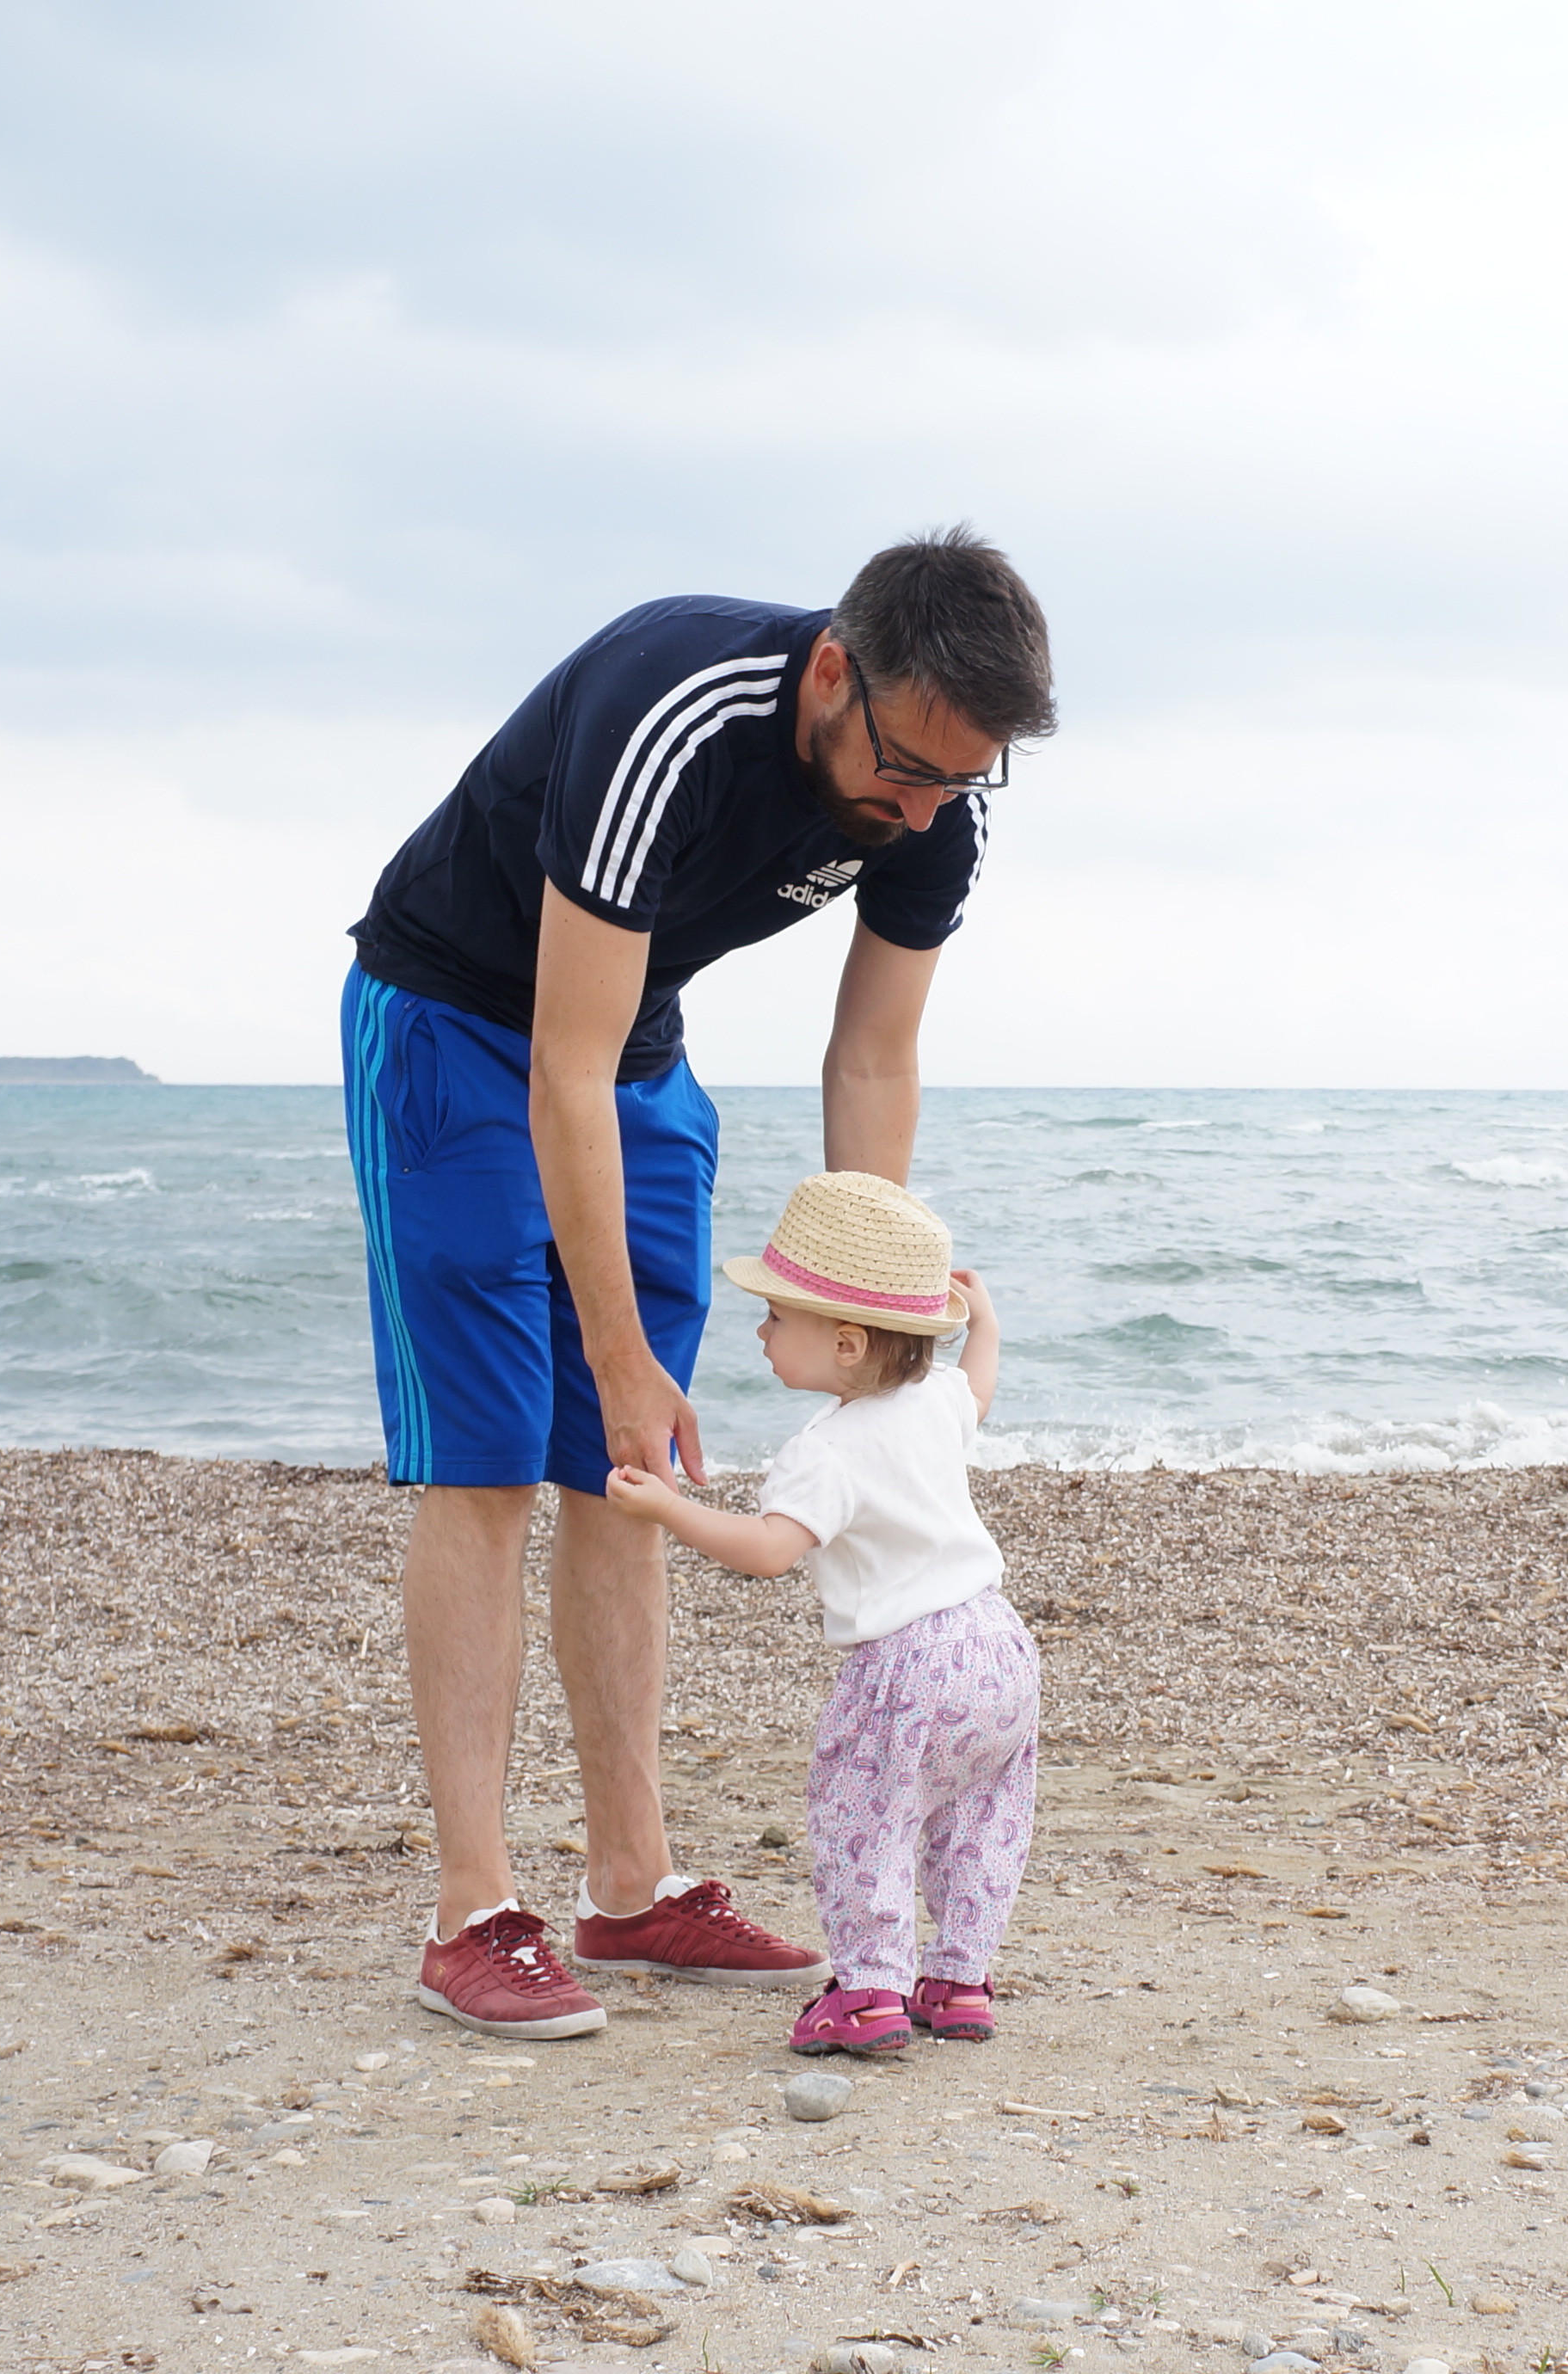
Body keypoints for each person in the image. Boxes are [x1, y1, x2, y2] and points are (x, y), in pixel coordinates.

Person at [339, 531, 1054, 2040]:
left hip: (636, 1049)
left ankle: (630, 1885)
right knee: (488, 1464)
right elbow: (560, 1060)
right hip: (457, 1022)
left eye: (962, 782)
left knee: (633, 1466)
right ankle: (473, 1912)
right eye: (907, 772)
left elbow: (873, 1056)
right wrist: (614, 1346)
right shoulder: (669, 708)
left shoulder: (937, 795)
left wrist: (882, 1324)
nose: (925, 811)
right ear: (833, 675)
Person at [604, 1170, 1031, 2057]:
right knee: (978, 1820)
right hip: (999, 1647)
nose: (760, 1332)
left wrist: (668, 1508)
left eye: (774, 1317)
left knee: (864, 1820)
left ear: (845, 1343)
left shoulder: (825, 1450)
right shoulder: (934, 1402)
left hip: (909, 1663)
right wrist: (984, 1322)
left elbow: (768, 1550)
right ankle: (958, 1977)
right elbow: (979, 1385)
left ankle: (870, 1990)